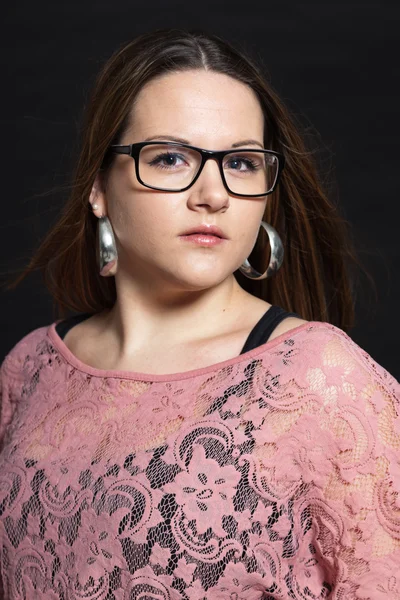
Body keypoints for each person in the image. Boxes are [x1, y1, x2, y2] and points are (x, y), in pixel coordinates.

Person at [0, 28, 399, 600]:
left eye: (240, 163)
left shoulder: (320, 379)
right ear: (99, 189)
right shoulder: (29, 368)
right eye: (169, 157)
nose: (212, 194)